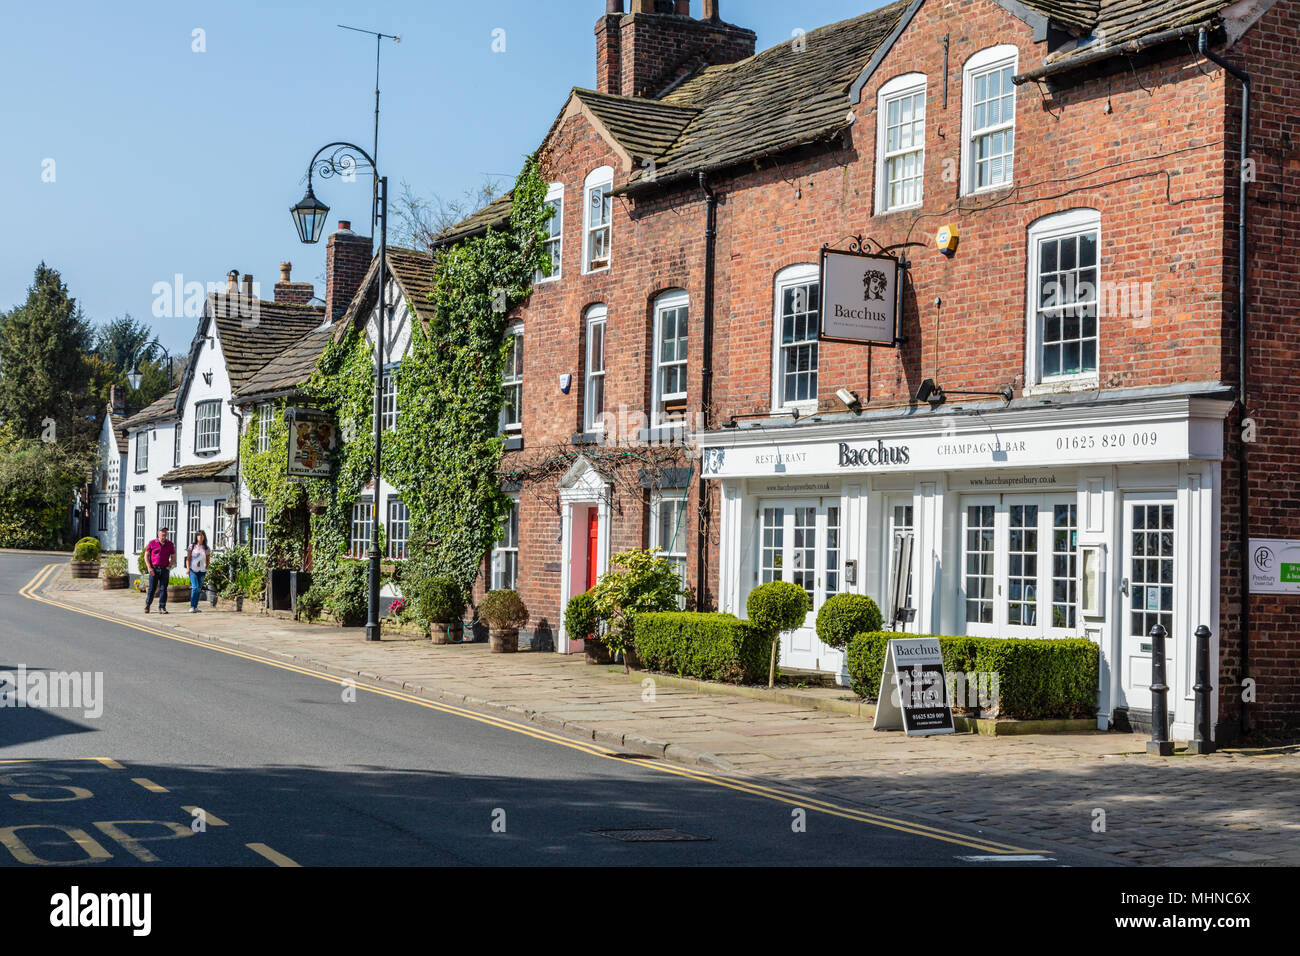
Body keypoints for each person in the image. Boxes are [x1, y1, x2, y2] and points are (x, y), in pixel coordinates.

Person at [143, 526, 176, 614]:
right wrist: (149, 567)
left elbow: (173, 557)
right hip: (154, 569)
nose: (164, 533)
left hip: (164, 569)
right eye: (162, 531)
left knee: (163, 589)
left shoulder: (170, 544)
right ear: (158, 533)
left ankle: (162, 607)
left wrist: (169, 566)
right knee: (152, 589)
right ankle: (148, 605)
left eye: (165, 532)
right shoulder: (152, 543)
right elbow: (146, 555)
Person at [186, 530, 211, 613]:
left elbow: (208, 559)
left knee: (199, 589)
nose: (200, 537)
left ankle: (196, 606)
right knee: (195, 587)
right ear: (196, 537)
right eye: (199, 535)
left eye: (202, 535)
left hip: (202, 570)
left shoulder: (206, 548)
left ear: (204, 537)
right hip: (193, 569)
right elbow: (188, 558)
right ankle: (192, 606)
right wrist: (188, 568)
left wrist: (207, 568)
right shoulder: (192, 546)